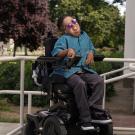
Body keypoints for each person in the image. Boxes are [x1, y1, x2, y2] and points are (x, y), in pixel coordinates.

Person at [51, 15, 107, 131]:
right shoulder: (63, 39)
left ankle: (92, 109)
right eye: (69, 25)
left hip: (84, 70)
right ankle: (85, 119)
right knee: (80, 84)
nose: (74, 26)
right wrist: (66, 51)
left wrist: (91, 52)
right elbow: (56, 53)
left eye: (74, 22)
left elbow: (91, 47)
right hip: (68, 72)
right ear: (65, 30)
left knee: (99, 81)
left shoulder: (85, 36)